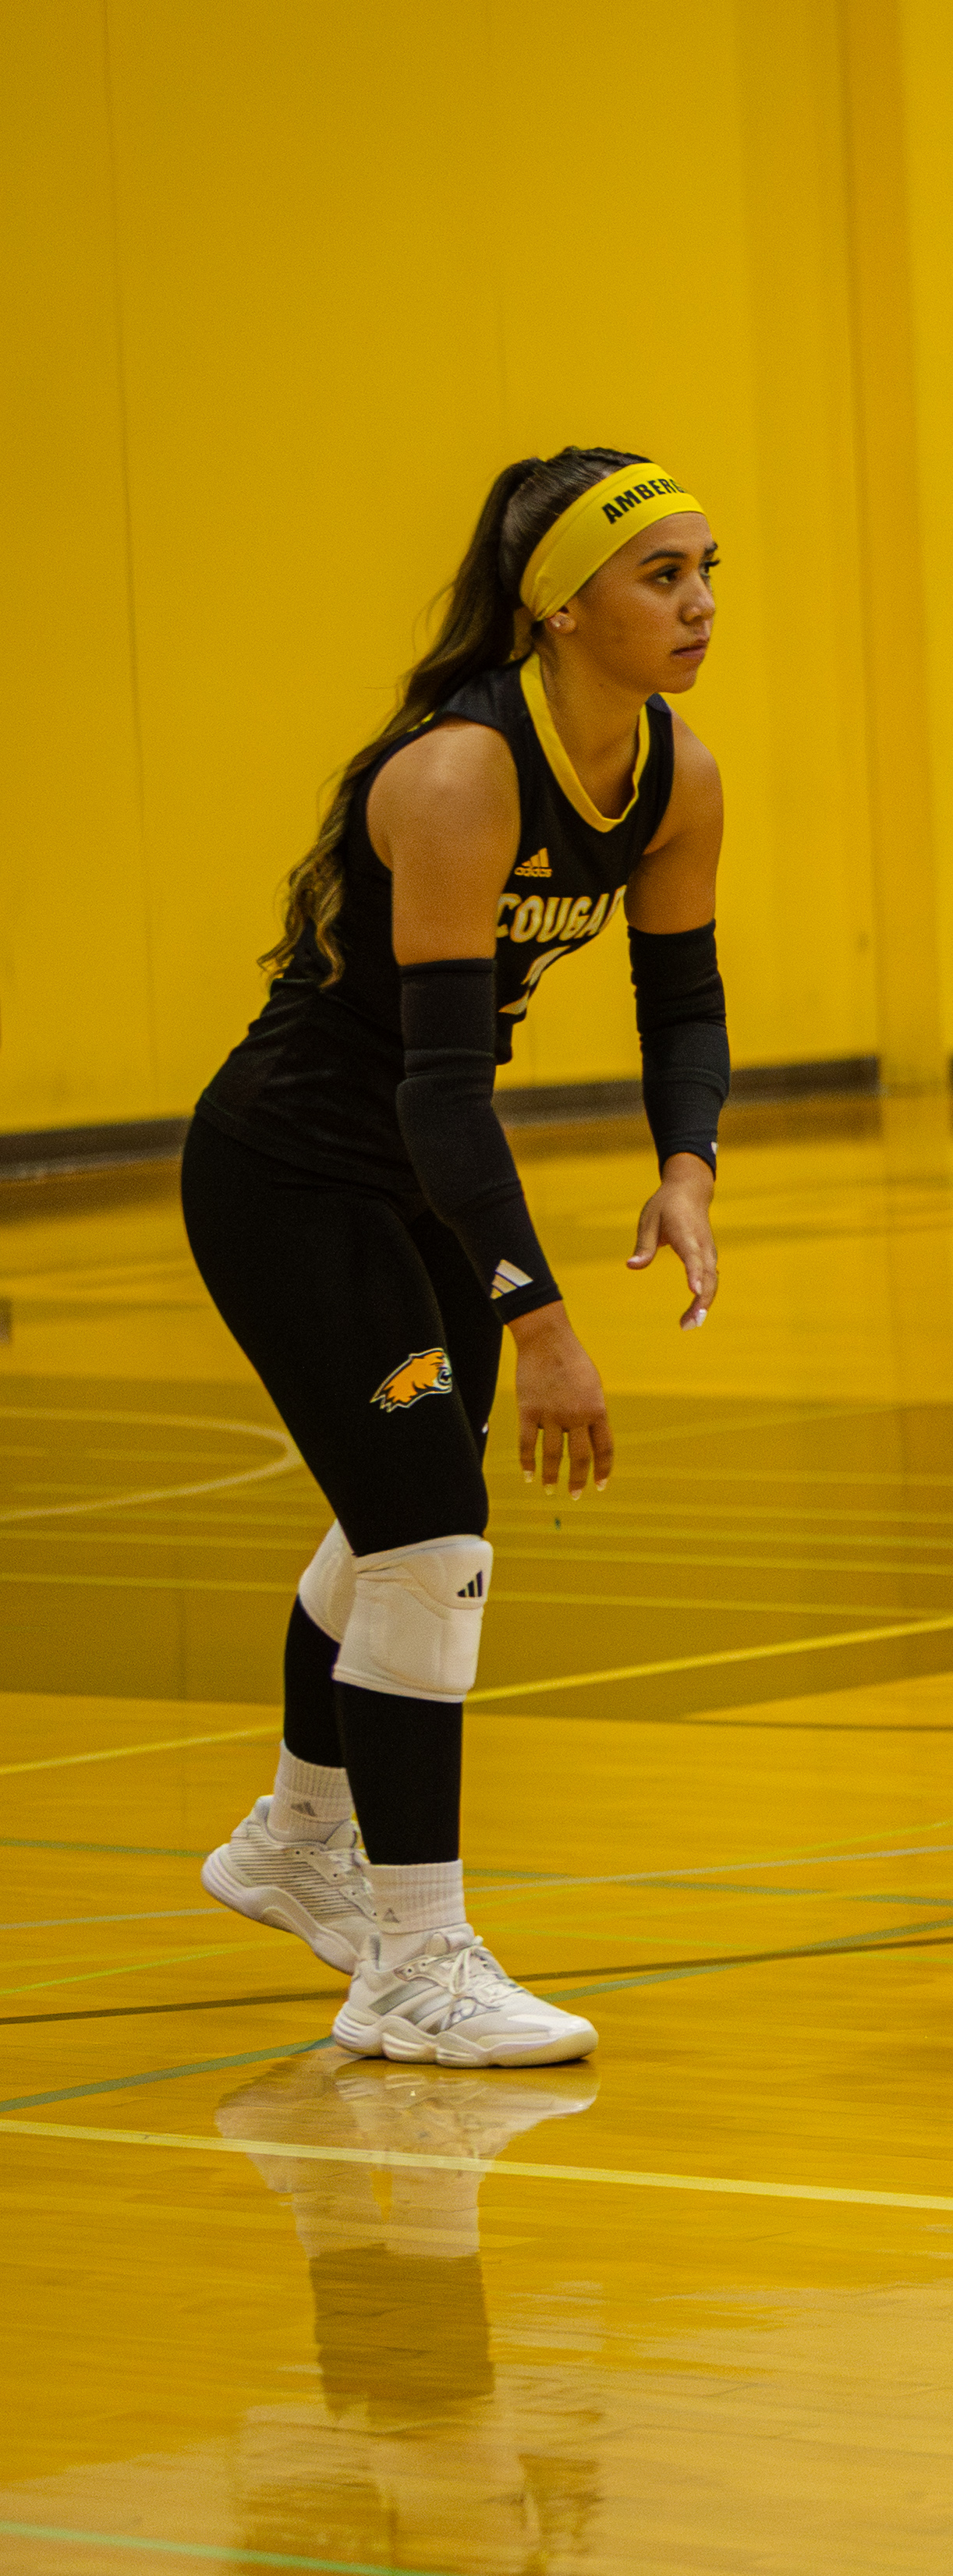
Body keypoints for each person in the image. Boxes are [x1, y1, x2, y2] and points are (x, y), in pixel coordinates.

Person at [186, 445, 733, 2064]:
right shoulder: (456, 774)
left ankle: (294, 1840)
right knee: (431, 1535)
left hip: (422, 1168)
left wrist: (687, 1166)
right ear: (560, 603)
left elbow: (684, 998)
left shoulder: (676, 772)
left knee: (398, 1521)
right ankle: (413, 1966)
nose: (701, 605)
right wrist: (546, 1319)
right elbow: (436, 1085)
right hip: (295, 1168)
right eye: (664, 575)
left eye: (711, 571)